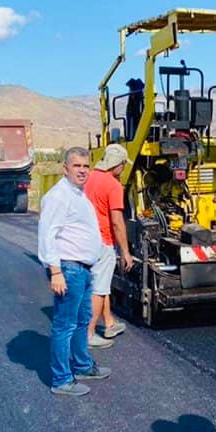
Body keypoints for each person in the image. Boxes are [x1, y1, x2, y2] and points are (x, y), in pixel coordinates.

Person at [37, 147, 112, 396]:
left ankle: (81, 365)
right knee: (65, 325)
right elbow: (48, 234)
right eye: (77, 165)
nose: (82, 170)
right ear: (65, 168)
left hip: (82, 269)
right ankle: (61, 380)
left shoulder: (78, 194)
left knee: (81, 321)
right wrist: (55, 271)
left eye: (85, 166)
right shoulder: (59, 196)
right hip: (68, 269)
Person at [84, 143, 134, 347]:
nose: (123, 168)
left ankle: (109, 323)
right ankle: (88, 335)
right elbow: (116, 221)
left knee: (102, 286)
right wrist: (126, 251)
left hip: (86, 240)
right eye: (123, 164)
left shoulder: (88, 178)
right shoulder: (113, 185)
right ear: (117, 164)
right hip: (103, 241)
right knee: (99, 289)